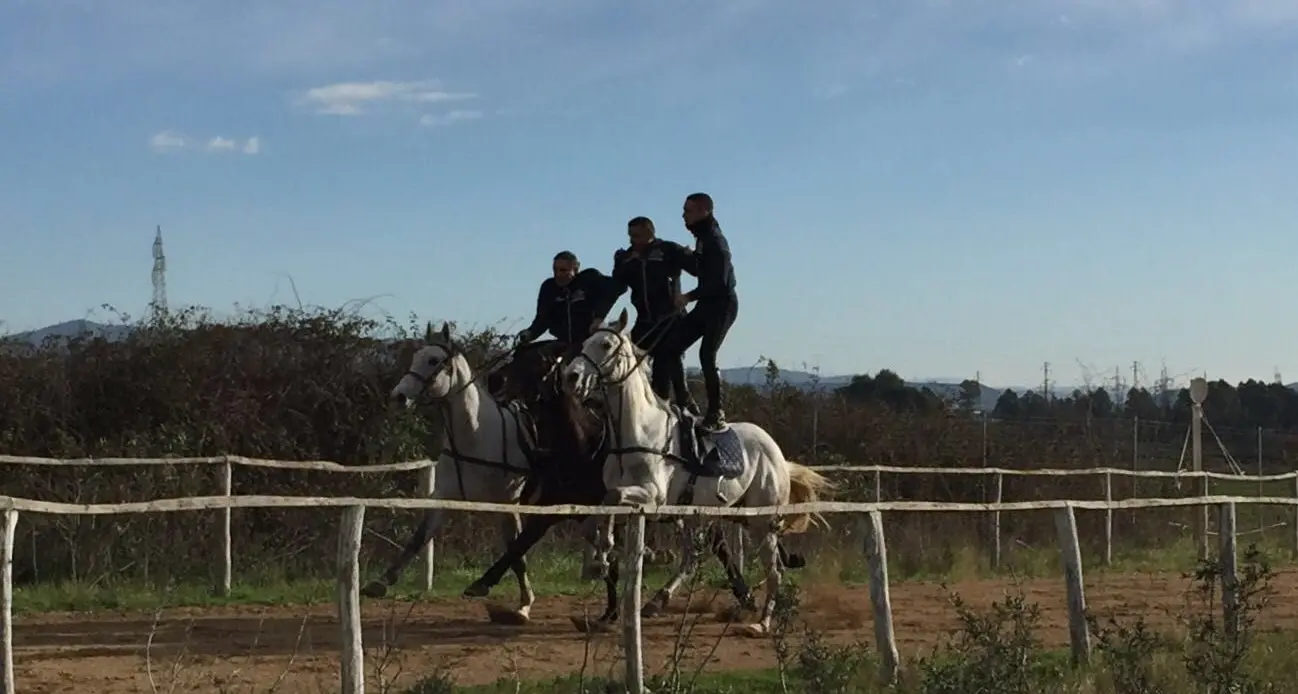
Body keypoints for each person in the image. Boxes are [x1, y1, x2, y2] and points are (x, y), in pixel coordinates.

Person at [590, 216, 699, 411]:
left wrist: (694, 256)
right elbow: (615, 289)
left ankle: (684, 402)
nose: (632, 240)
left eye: (637, 236)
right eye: (630, 236)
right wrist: (599, 316)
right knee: (626, 357)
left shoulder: (668, 251)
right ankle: (616, 402)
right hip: (644, 322)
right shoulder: (626, 259)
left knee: (666, 361)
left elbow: (699, 268)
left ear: (650, 234)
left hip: (670, 319)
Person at [656, 192, 737, 431]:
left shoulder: (715, 240)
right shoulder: (703, 239)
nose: (684, 215)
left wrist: (688, 296)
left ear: (705, 211)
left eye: (688, 211)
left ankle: (716, 411)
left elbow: (720, 283)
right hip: (706, 305)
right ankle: (684, 403)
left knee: (706, 355)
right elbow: (700, 270)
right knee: (670, 347)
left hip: (722, 305)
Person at [515, 250, 612, 350]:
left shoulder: (589, 279)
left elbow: (616, 288)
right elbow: (542, 319)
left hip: (589, 342)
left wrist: (599, 318)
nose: (558, 274)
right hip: (562, 343)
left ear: (576, 268)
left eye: (563, 270)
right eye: (555, 270)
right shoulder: (549, 288)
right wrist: (530, 333)